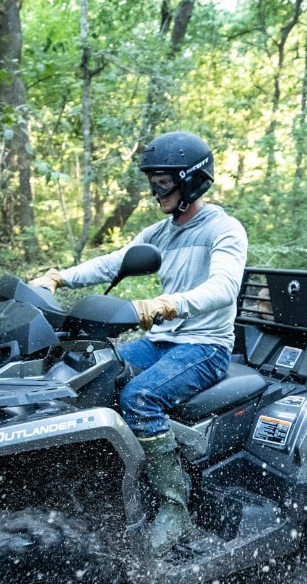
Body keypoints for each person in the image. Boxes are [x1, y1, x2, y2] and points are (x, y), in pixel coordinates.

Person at [30, 131, 248, 554]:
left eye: (163, 182)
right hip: (161, 341)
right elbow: (113, 262)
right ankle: (124, 471)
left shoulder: (224, 229)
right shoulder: (160, 232)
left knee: (141, 396)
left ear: (192, 181)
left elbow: (224, 288)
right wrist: (58, 277)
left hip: (205, 346)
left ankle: (175, 509)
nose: (155, 192)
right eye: (152, 182)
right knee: (93, 373)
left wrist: (166, 304)